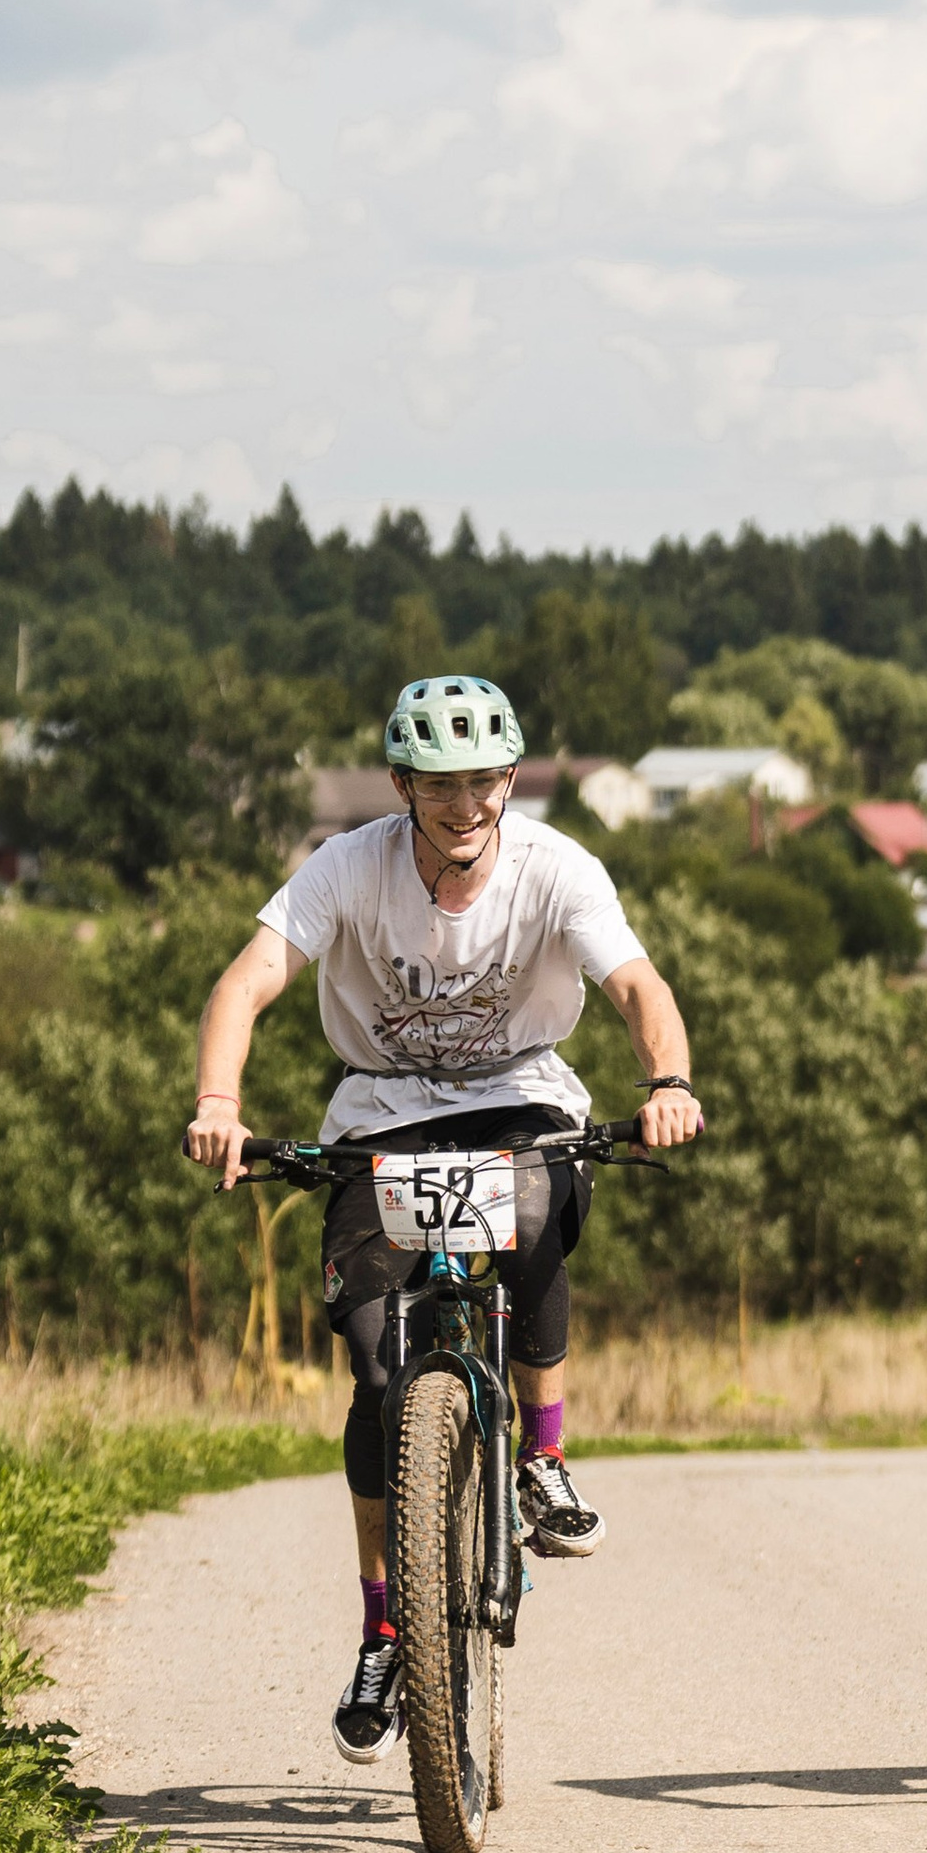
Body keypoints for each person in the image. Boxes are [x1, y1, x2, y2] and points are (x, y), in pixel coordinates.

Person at [181, 669, 704, 1764]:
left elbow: (636, 988)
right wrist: (219, 1104)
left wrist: (667, 1082)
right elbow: (246, 983)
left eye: (482, 782)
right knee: (378, 1374)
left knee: (538, 1206)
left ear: (509, 781)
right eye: (438, 785)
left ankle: (541, 1458)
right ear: (401, 788)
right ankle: (384, 1628)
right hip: (382, 1110)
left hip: (521, 1094)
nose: (464, 806)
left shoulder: (558, 868)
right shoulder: (347, 868)